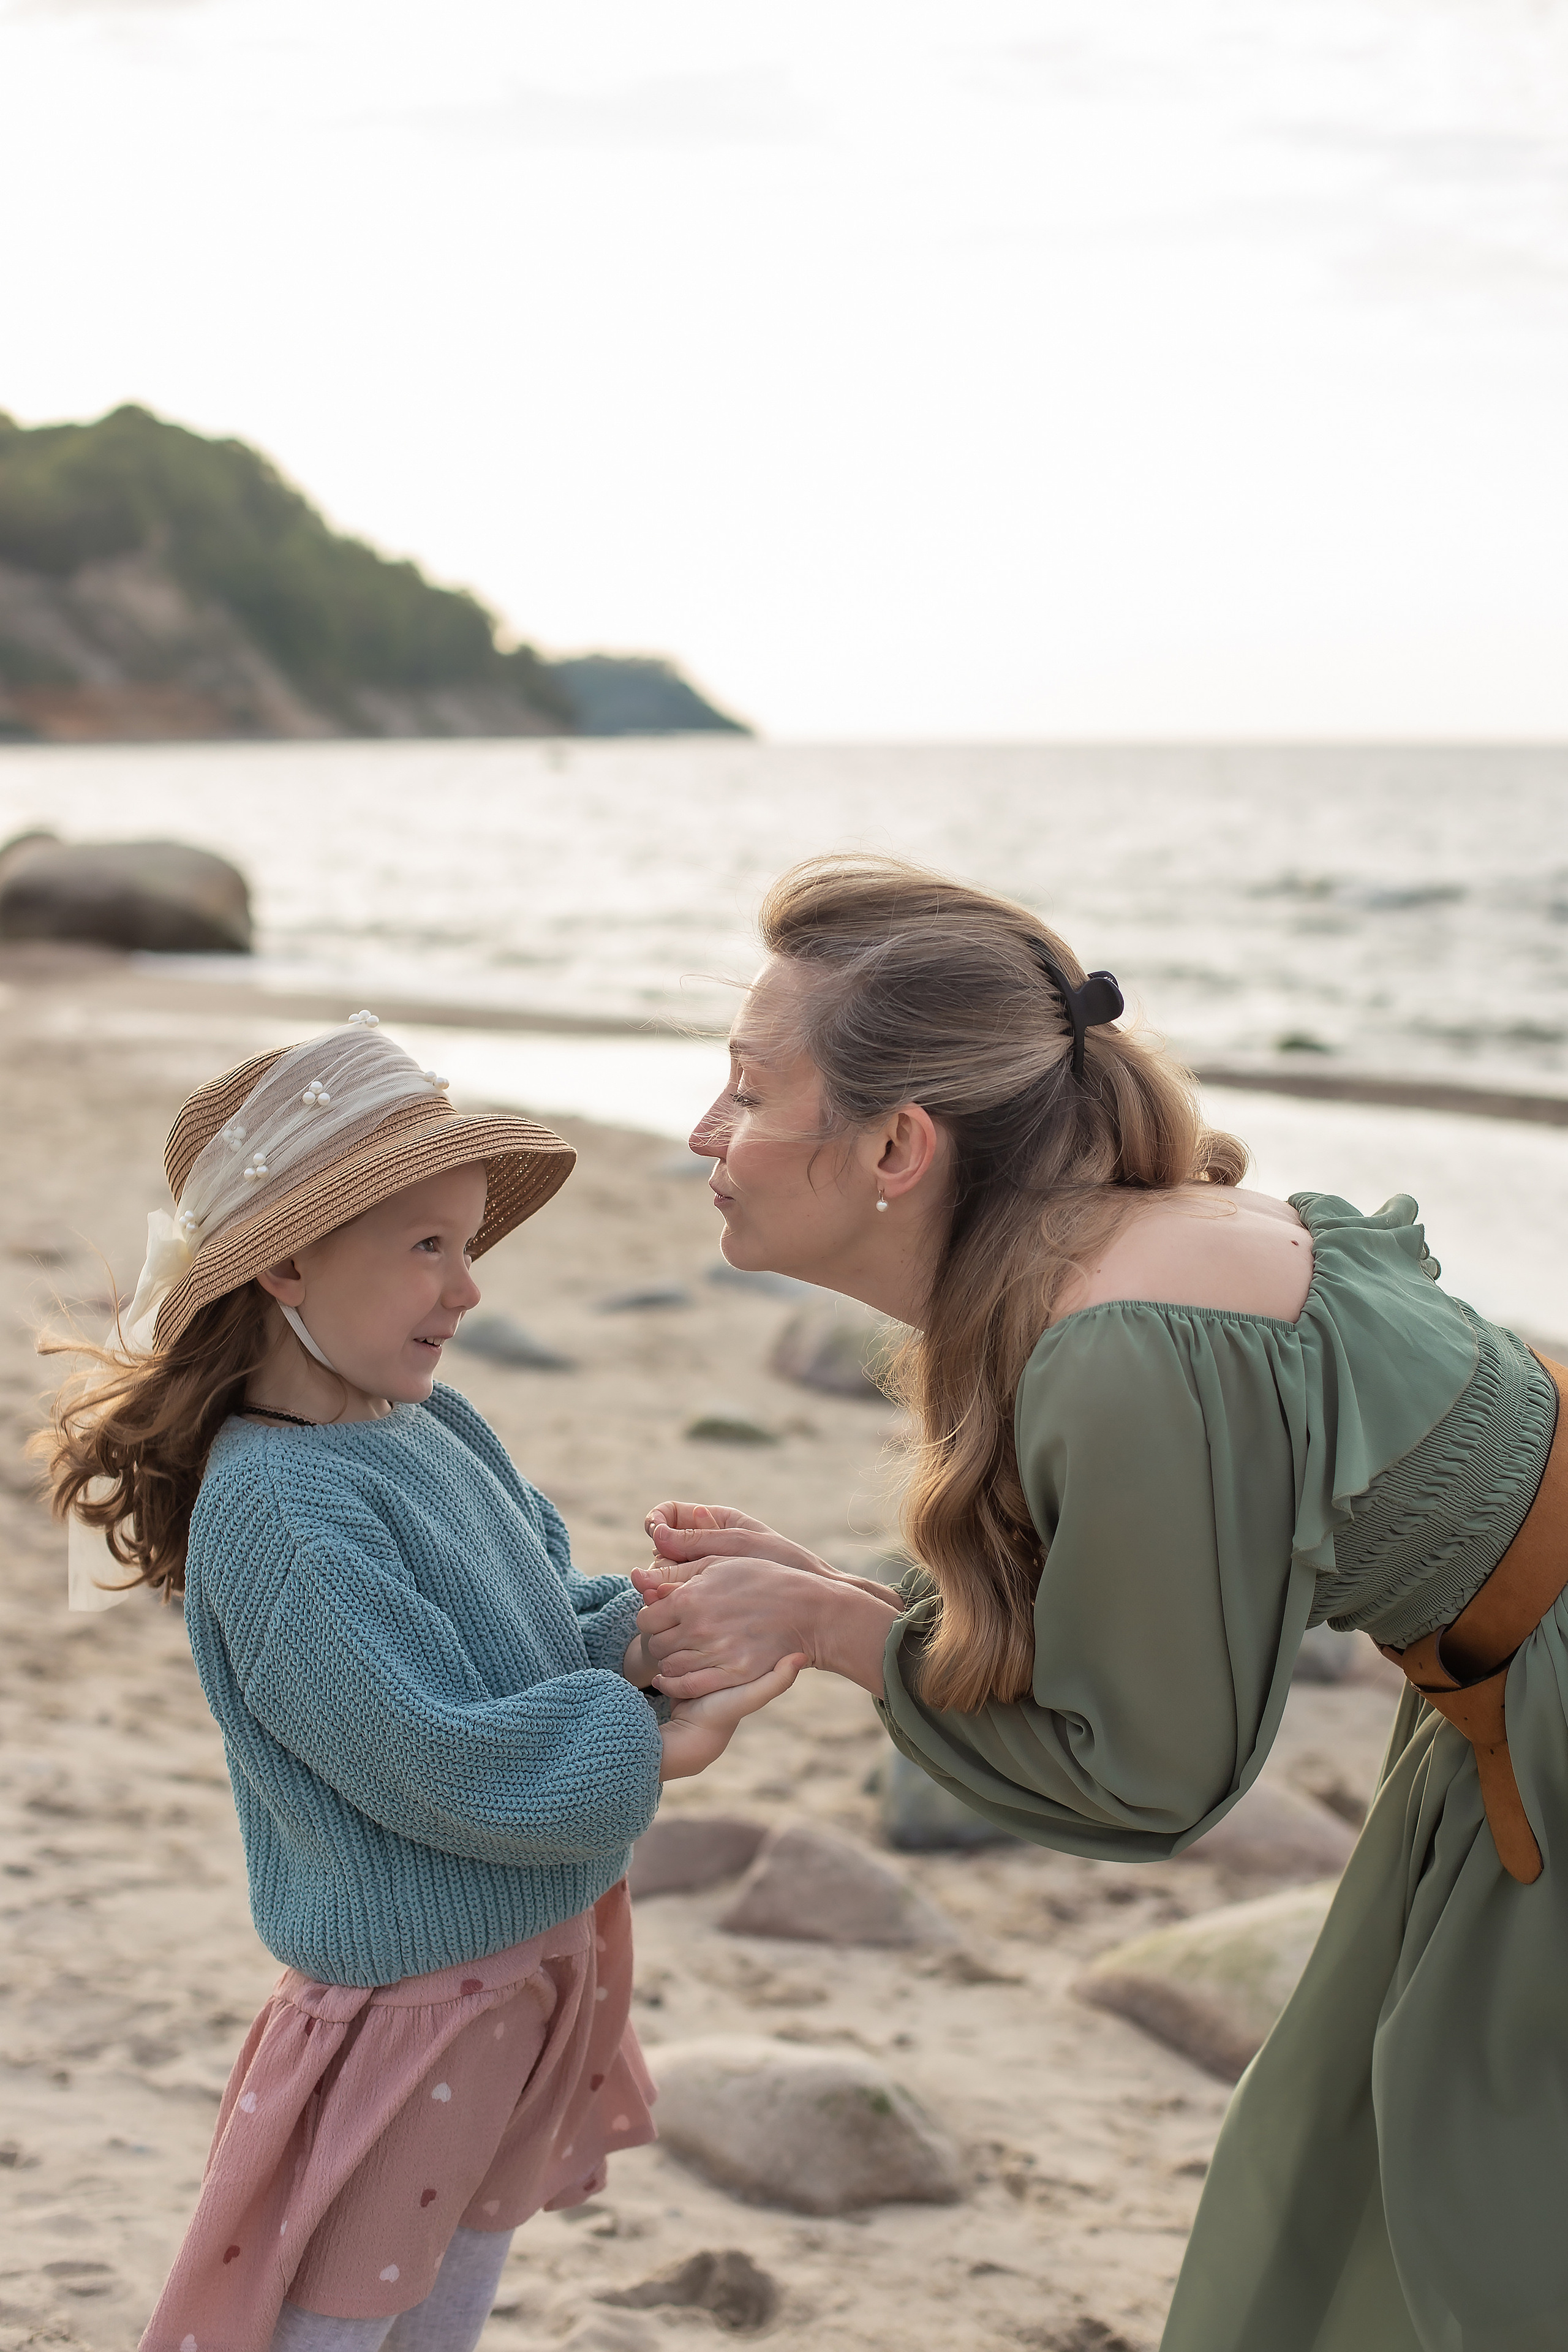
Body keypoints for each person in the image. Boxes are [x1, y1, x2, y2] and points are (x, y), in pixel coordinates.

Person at [630, 854, 1568, 2352]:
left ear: (895, 1148)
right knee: (1381, 2170)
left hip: (1543, 1704)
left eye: (744, 1091)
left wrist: (832, 1635)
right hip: (1510, 1698)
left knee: (1471, 2226)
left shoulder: (1125, 1340)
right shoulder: (1104, 1267)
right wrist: (838, 1595)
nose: (703, 1134)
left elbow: (1150, 1773)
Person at [37, 1017, 801, 2352]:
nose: (468, 1289)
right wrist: (648, 1740)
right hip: (415, 2007)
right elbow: (429, 1748)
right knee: (335, 2320)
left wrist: (636, 1631)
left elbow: (517, 1621)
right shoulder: (278, 1508)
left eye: (468, 1244)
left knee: (450, 2295)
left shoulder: (427, 1424)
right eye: (427, 1247)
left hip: (528, 1960)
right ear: (283, 1262)